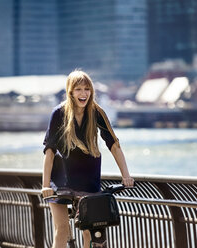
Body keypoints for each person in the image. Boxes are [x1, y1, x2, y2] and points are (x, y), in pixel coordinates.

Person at [41, 70, 134, 248]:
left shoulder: (97, 112)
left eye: (87, 89)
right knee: (61, 229)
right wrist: (45, 185)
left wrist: (126, 175)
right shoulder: (59, 113)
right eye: (78, 89)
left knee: (91, 232)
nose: (83, 93)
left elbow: (114, 145)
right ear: (70, 92)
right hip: (61, 180)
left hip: (88, 180)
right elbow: (50, 151)